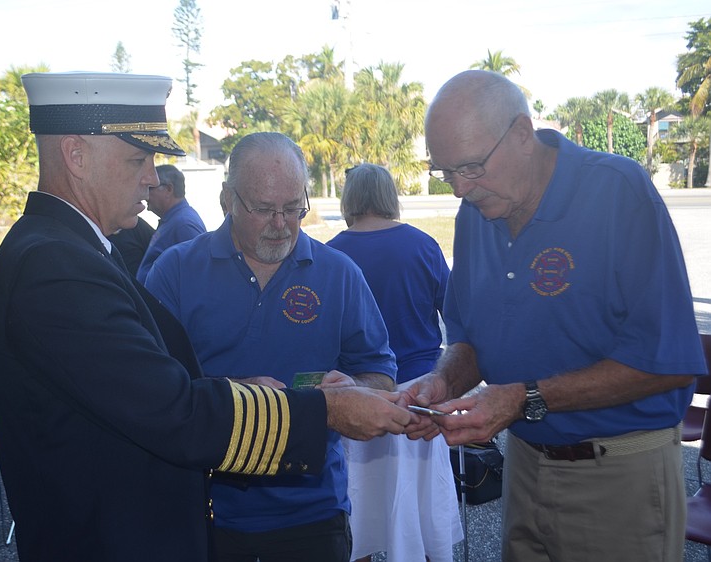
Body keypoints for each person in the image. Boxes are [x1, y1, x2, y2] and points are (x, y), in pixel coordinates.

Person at [0, 72, 415, 562]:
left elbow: (154, 392)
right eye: (138, 159)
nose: (151, 178)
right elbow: (172, 408)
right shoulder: (55, 269)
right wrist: (324, 410)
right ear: (76, 156)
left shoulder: (68, 253)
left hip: (296, 517)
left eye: (294, 208)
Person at [402, 69, 708, 561]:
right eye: (445, 172)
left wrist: (524, 399)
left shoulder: (616, 192)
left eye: (471, 167)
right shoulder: (476, 214)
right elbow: (470, 339)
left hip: (618, 475)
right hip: (524, 466)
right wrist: (442, 383)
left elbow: (667, 360)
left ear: (522, 134)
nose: (459, 189)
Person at [146, 132, 398, 562]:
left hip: (313, 511)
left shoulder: (339, 273)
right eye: (264, 209)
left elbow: (381, 376)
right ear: (227, 199)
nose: (281, 224)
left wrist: (354, 388)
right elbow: (149, 390)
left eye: (293, 208)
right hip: (207, 509)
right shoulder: (176, 272)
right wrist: (236, 396)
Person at [327, 163, 460, 562]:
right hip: (419, 392)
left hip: (359, 393)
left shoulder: (331, 252)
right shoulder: (422, 245)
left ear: (350, 198)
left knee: (359, 500)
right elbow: (453, 313)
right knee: (424, 506)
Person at [134, 163, 206, 282]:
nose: (145, 194)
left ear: (168, 189)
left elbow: (198, 275)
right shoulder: (175, 220)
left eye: (150, 188)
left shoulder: (184, 224)